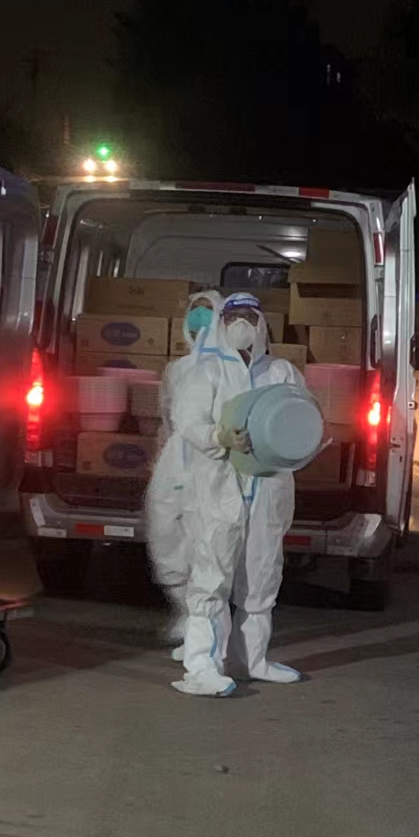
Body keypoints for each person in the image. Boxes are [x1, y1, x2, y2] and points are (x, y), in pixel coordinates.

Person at [172, 291, 304, 696]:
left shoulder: (282, 372)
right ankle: (202, 669)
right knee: (211, 578)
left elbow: (303, 419)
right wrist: (219, 437)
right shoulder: (208, 372)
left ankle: (251, 660)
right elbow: (188, 421)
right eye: (233, 316)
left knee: (262, 576)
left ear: (263, 322)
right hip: (219, 486)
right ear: (221, 323)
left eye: (249, 315)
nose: (242, 323)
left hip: (268, 487)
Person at [145, 290, 223, 653]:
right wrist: (159, 459)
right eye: (196, 312)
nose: (200, 320)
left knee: (205, 534)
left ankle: (203, 620)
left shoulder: (230, 368)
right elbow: (165, 417)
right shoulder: (176, 370)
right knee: (163, 527)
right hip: (176, 457)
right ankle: (182, 605)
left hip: (213, 457)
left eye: (208, 313)